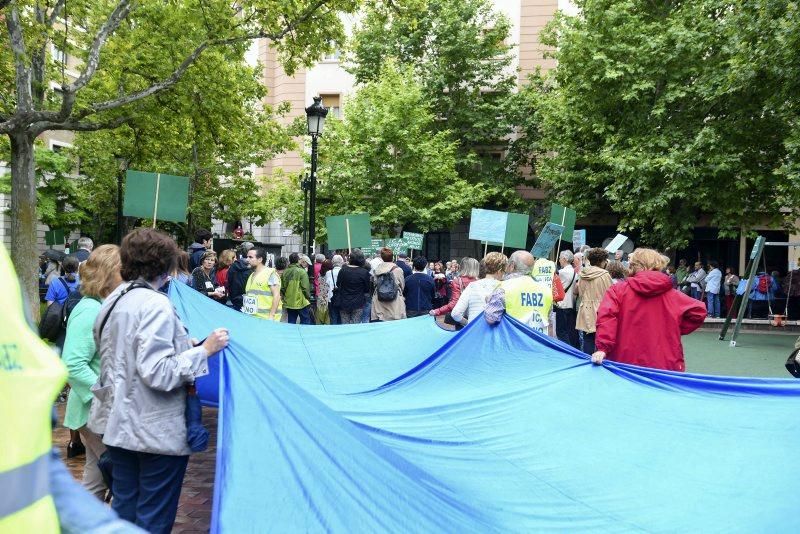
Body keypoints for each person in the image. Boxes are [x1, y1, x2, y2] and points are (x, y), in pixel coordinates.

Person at [88, 228, 229, 533]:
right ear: (165, 265)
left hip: (120, 427)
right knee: (153, 518)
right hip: (154, 433)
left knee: (125, 513)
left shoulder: (114, 302)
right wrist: (204, 351)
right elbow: (158, 372)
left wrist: (182, 347)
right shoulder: (156, 305)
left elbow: (125, 358)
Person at [62, 245, 123, 501]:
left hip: (93, 411)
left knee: (95, 480)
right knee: (121, 478)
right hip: (93, 411)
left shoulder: (99, 306)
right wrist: (108, 396)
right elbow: (73, 365)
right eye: (124, 270)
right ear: (110, 274)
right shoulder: (90, 310)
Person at [592, 248, 706, 371]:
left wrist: (603, 347)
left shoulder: (617, 291)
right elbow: (699, 312)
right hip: (665, 364)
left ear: (635, 265)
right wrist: (671, 327)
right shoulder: (673, 295)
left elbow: (606, 318)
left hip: (624, 362)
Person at [484, 251, 553, 333]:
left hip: (513, 342)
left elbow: (490, 319)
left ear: (512, 265)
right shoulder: (545, 289)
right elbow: (550, 324)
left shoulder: (504, 288)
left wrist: (489, 301)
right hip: (537, 343)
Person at [574, 248, 613, 355]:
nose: (606, 262)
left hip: (585, 309)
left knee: (588, 339)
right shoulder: (605, 275)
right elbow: (610, 294)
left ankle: (588, 362)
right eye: (605, 260)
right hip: (601, 309)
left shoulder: (583, 274)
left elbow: (580, 293)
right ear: (601, 261)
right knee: (601, 340)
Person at [451, 252, 507, 324]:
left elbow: (455, 314)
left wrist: (468, 324)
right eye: (504, 271)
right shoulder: (505, 287)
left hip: (474, 332)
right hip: (495, 333)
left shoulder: (472, 286)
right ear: (499, 271)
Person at [430, 257, 479, 326]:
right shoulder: (480, 281)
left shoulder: (458, 281)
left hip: (462, 318)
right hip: (478, 318)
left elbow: (454, 303)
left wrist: (437, 311)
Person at [242, 247, 281, 321]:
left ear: (260, 259)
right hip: (253, 318)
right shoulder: (251, 275)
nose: (247, 260)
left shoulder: (270, 274)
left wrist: (271, 316)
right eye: (247, 257)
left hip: (266, 320)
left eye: (250, 257)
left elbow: (277, 296)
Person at [336, 249, 372, 324]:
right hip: (358, 303)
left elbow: (338, 284)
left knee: (345, 325)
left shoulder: (343, 270)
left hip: (344, 302)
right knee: (355, 326)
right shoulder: (364, 272)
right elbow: (367, 289)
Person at [371, 247, 407, 322]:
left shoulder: (377, 270)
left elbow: (375, 283)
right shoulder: (398, 270)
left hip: (379, 300)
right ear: (393, 257)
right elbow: (402, 285)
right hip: (395, 300)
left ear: (381, 257)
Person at [555, 250, 580, 349]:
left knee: (561, 332)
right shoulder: (575, 272)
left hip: (562, 305)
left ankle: (566, 350)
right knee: (571, 331)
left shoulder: (562, 272)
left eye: (560, 259)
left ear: (564, 259)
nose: (559, 261)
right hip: (571, 304)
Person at [281, 252, 312, 324]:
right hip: (301, 301)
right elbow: (305, 288)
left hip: (289, 301)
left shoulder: (285, 272)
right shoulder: (302, 272)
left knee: (291, 322)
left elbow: (282, 288)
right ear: (298, 260)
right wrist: (308, 297)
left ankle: (291, 335)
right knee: (305, 321)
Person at [226, 241, 255, 311]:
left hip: (234, 299)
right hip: (250, 300)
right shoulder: (254, 267)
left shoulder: (233, 266)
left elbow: (229, 281)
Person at [325, 255, 344, 324]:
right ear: (341, 262)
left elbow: (327, 285)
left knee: (333, 317)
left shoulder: (328, 273)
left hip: (331, 297)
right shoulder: (343, 271)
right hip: (342, 297)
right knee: (341, 318)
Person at [316, 259, 333, 325]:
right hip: (328, 296)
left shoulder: (320, 274)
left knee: (319, 316)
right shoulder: (330, 274)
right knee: (327, 317)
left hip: (320, 296)